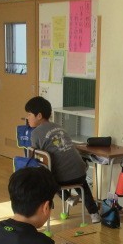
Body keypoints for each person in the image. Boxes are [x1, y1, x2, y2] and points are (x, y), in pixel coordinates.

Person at [25, 96, 101, 224]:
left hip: (61, 179)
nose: (27, 117)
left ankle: (67, 198)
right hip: (80, 171)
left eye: (29, 114)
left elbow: (34, 156)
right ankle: (94, 214)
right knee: (83, 187)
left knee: (48, 180)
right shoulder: (59, 127)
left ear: (39, 116)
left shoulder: (35, 133)